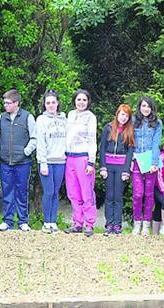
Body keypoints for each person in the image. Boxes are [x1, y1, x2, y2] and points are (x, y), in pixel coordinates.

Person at [0, 90, 37, 232]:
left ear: (16, 103)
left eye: (8, 103)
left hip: (23, 162)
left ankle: (23, 220)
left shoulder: (27, 117)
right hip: (5, 161)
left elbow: (34, 138)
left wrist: (25, 152)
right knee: (7, 191)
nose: (5, 105)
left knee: (22, 191)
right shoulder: (2, 117)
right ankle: (7, 220)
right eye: (4, 103)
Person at [64, 89, 97, 237]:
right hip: (70, 157)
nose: (81, 102)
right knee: (73, 192)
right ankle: (77, 223)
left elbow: (92, 140)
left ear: (88, 102)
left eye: (84, 100)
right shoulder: (70, 115)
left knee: (86, 192)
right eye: (79, 100)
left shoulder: (90, 117)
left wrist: (91, 162)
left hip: (84, 157)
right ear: (74, 101)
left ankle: (89, 224)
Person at [99, 104, 135, 236]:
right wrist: (102, 167)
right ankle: (109, 224)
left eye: (126, 115)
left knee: (118, 196)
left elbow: (130, 151)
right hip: (108, 166)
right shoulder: (108, 128)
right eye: (122, 114)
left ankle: (117, 225)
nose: (123, 117)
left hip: (121, 166)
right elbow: (102, 148)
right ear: (117, 114)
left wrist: (126, 170)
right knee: (109, 195)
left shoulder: (130, 130)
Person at [36, 90, 67, 234]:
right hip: (47, 161)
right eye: (48, 103)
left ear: (58, 103)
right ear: (44, 104)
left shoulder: (64, 119)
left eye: (53, 102)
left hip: (60, 160)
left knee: (55, 192)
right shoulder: (41, 120)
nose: (51, 105)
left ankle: (53, 221)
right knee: (48, 192)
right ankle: (46, 222)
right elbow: (40, 142)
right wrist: (42, 162)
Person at [131, 96, 163, 235]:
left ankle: (146, 224)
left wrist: (154, 163)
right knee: (138, 193)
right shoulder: (133, 121)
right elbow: (130, 141)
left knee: (149, 194)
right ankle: (137, 223)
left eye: (148, 106)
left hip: (150, 160)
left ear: (152, 108)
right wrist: (130, 161)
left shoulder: (157, 123)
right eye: (143, 106)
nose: (146, 109)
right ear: (139, 107)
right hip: (137, 159)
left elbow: (156, 143)